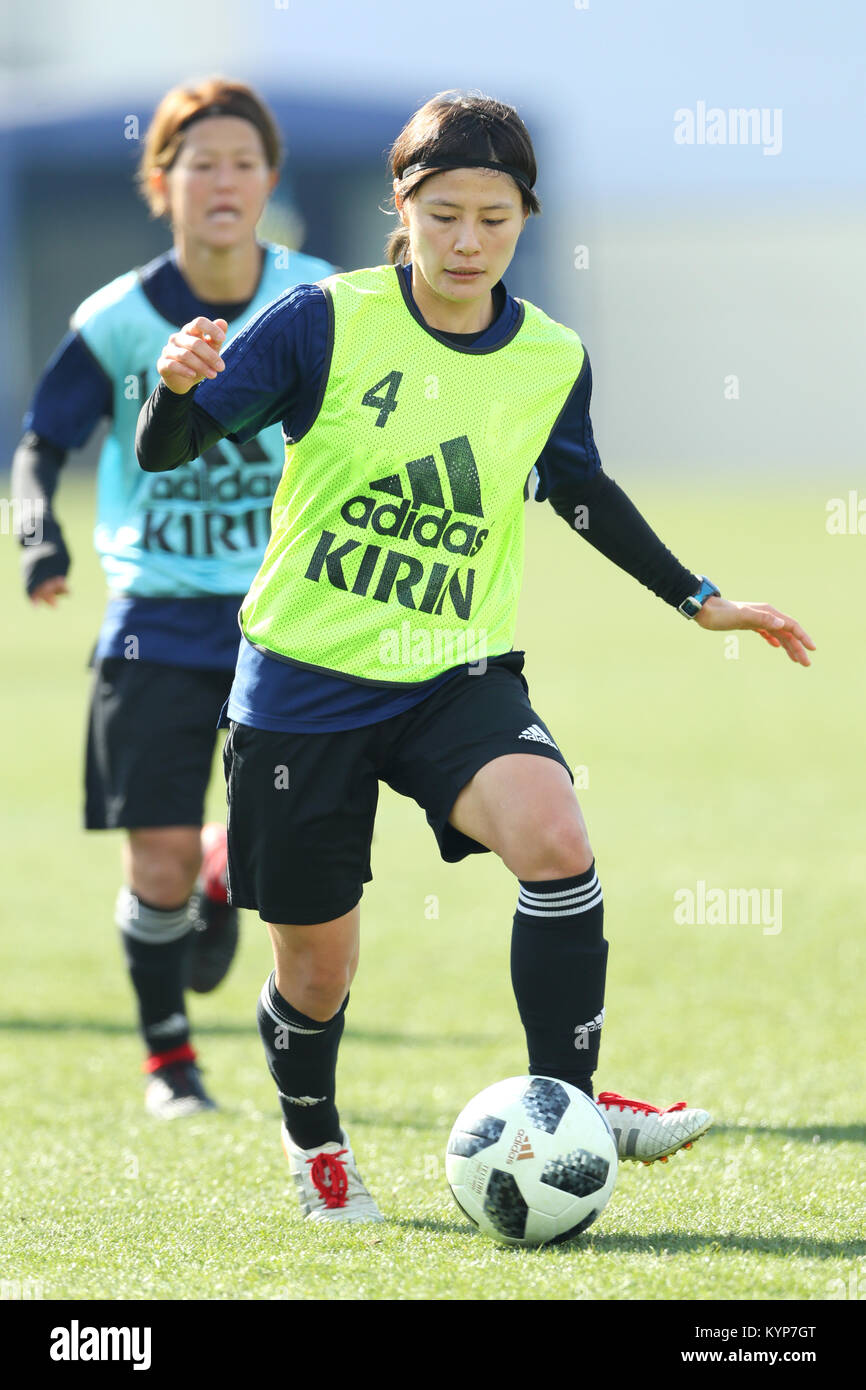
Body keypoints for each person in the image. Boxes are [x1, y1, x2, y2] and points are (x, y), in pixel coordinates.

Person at [136, 91, 815, 1222]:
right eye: (442, 213)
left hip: (457, 672)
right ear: (400, 211)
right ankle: (318, 1149)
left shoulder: (549, 354)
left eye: (493, 219)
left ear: (523, 220)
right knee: (315, 970)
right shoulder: (322, 320)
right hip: (303, 686)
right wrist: (172, 390)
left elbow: (579, 488)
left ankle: (572, 1100)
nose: (466, 242)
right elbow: (177, 446)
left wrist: (697, 598)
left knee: (554, 839)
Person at [11, 77, 335, 1119]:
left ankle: (221, 865)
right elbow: (41, 442)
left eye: (244, 161)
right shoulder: (114, 319)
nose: (225, 180)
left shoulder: (319, 298)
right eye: (202, 163)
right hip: (153, 616)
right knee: (149, 850)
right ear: (163, 185)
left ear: (270, 181)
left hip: (287, 618)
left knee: (273, 846)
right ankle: (169, 1065)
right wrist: (37, 529)